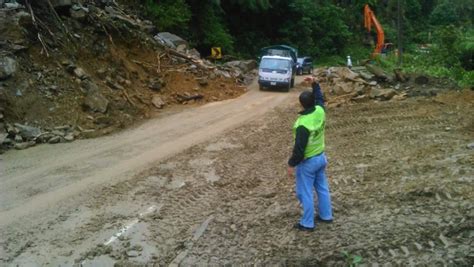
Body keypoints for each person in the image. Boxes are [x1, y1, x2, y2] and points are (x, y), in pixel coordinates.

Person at [287, 77, 333, 231]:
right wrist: (315, 84)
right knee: (322, 188)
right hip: (321, 157)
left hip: (308, 163)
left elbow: (299, 149)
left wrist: (291, 164)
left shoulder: (302, 124)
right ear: (313, 102)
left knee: (304, 192)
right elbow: (320, 98)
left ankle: (307, 223)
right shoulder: (320, 110)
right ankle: (326, 216)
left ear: (301, 104)